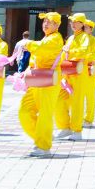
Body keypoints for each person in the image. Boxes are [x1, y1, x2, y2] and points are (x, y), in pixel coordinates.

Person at [19, 11, 65, 158]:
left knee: (45, 113)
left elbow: (42, 48)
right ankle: (42, 136)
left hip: (49, 81)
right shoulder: (45, 38)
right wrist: (28, 70)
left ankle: (43, 145)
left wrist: (28, 43)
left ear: (57, 25)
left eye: (49, 22)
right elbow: (35, 57)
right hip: (37, 79)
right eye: (44, 21)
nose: (45, 24)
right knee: (25, 111)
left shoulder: (56, 38)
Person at [54, 13, 91, 141]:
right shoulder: (70, 38)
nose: (73, 24)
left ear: (82, 24)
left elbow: (83, 51)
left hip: (79, 74)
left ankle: (77, 130)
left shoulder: (85, 37)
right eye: (72, 22)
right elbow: (64, 54)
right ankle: (64, 127)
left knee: (77, 102)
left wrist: (70, 51)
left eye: (76, 22)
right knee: (59, 99)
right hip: (67, 73)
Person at [81, 19, 95, 126]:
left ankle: (88, 119)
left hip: (90, 69)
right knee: (78, 95)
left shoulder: (94, 40)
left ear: (91, 29)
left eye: (86, 27)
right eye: (83, 27)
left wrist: (81, 57)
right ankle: (78, 117)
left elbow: (94, 55)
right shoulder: (78, 38)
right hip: (79, 70)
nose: (83, 29)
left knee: (89, 95)